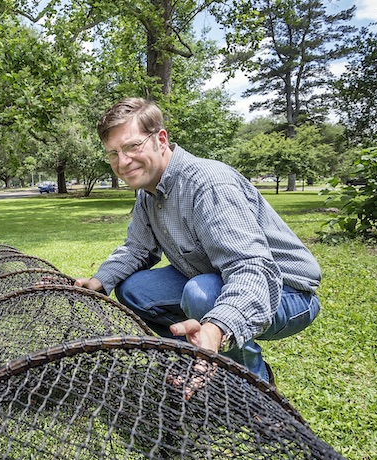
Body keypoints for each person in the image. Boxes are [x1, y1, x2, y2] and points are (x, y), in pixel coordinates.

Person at [75, 98, 322, 384]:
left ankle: (255, 383)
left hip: (286, 292)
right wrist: (97, 282)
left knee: (201, 294)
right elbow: (137, 248)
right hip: (216, 278)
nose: (123, 161)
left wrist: (218, 325)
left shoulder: (208, 184)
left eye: (132, 146)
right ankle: (201, 357)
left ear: (161, 139)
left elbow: (251, 268)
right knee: (133, 291)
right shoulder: (148, 191)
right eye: (114, 153)